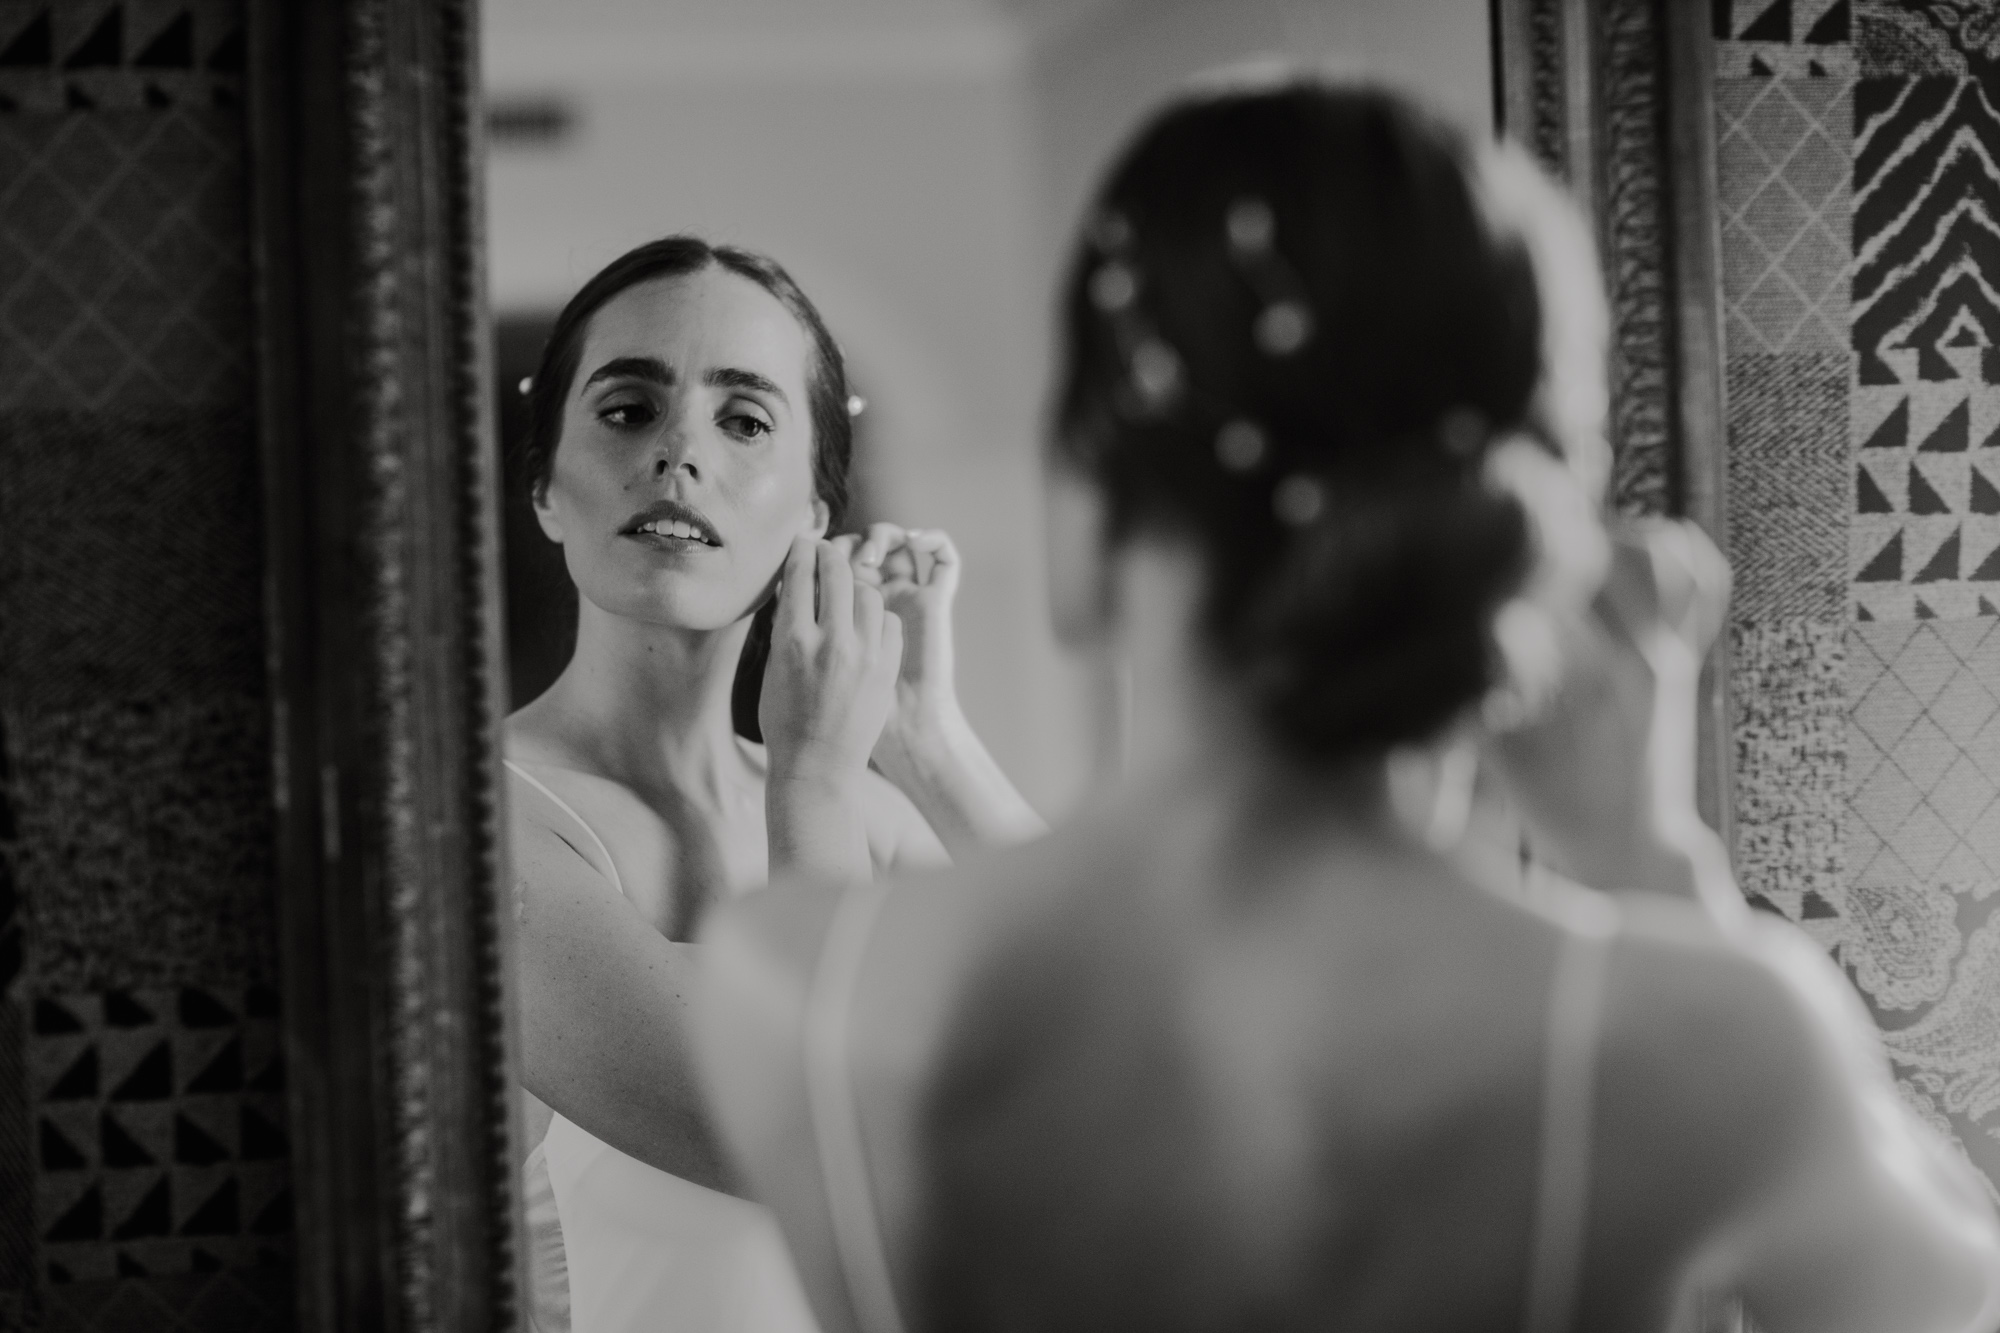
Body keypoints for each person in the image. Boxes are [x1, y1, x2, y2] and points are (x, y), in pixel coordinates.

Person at [694, 76, 2000, 1333]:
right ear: (1521, 550)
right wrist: (1650, 861)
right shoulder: (1699, 1030)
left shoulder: (789, 977)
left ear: (1080, 532)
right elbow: (1936, 1303)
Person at [505, 236, 1041, 1332]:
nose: (677, 453)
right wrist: (811, 782)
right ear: (545, 488)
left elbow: (1114, 1049)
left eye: (744, 421)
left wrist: (929, 742)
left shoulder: (873, 815)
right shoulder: (478, 827)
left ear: (812, 515)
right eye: (627, 410)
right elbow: (805, 1147)